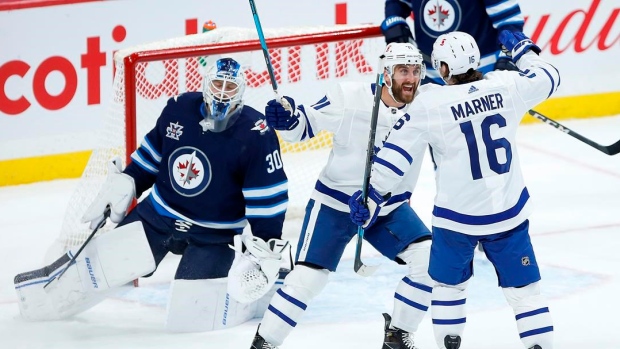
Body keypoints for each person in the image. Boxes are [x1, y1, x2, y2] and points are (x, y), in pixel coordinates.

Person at [14, 57, 291, 333]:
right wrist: (129, 181)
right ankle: (45, 299)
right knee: (103, 266)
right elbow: (151, 158)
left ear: (241, 91)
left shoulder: (257, 133)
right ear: (206, 83)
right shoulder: (179, 109)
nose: (221, 93)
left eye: (229, 88)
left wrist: (266, 246)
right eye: (217, 83)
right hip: (158, 215)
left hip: (215, 235)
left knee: (194, 314)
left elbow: (268, 199)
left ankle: (261, 294)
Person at [349, 31, 559, 349]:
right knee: (526, 295)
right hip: (508, 214)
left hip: (456, 220)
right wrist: (522, 51)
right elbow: (550, 76)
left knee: (449, 288)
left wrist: (371, 196)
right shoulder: (506, 85)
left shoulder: (430, 102)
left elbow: (395, 157)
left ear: (443, 68)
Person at [249, 42, 433, 349]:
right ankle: (264, 342)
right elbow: (304, 125)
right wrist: (288, 118)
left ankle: (398, 334)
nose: (411, 78)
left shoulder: (428, 104)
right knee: (308, 279)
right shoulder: (350, 98)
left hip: (389, 207)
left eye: (415, 70)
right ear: (386, 73)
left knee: (429, 261)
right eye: (403, 71)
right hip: (334, 205)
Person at [381, 0, 525, 84]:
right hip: (432, 76)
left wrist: (507, 57)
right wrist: (395, 23)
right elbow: (396, 3)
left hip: (478, 74)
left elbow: (509, 22)